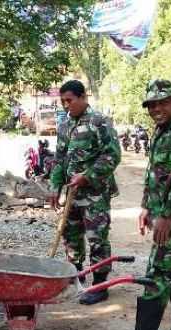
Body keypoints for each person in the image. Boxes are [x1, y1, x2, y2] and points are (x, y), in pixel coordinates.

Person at [111, 79, 171, 330]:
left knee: (158, 271)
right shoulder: (162, 131)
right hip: (164, 212)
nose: (157, 108)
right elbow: (157, 176)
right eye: (152, 104)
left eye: (163, 102)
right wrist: (147, 207)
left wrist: (167, 215)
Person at [49, 80, 121, 305]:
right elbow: (59, 160)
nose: (66, 105)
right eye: (62, 101)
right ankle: (76, 276)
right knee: (71, 237)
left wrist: (87, 175)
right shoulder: (64, 126)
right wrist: (55, 187)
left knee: (97, 237)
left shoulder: (99, 122)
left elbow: (112, 155)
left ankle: (100, 285)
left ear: (83, 97)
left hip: (95, 194)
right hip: (72, 195)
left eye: (69, 100)